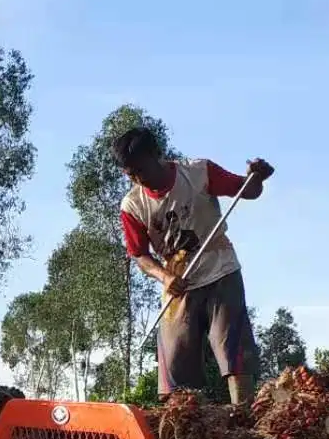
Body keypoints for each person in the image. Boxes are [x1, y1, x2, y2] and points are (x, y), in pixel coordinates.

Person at [111, 126, 274, 405]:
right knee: (175, 363)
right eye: (131, 174)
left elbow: (246, 191)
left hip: (220, 270)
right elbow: (139, 255)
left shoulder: (198, 172)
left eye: (142, 169)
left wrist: (257, 177)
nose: (139, 178)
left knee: (232, 349)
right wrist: (163, 276)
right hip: (178, 284)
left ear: (156, 155)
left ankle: (243, 414)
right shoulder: (132, 206)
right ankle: (186, 426)